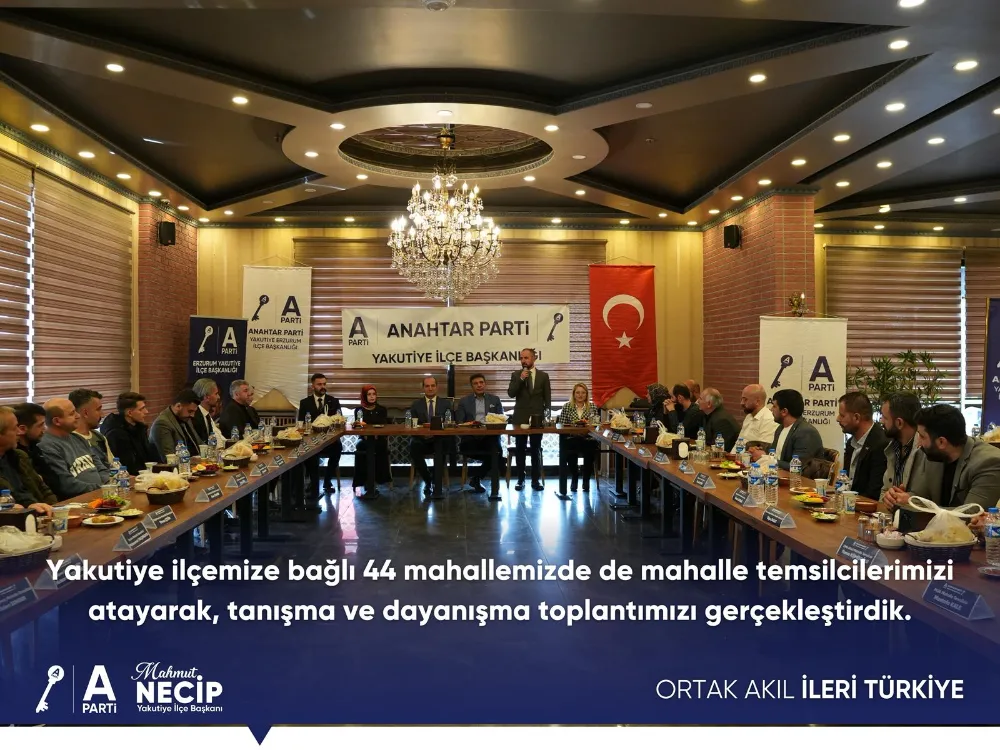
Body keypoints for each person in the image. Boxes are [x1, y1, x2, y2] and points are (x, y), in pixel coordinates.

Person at [884, 404, 1000, 510]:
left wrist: (913, 504)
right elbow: (919, 496)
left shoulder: (989, 462)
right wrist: (898, 498)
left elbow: (971, 514)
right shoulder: (932, 455)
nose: (918, 443)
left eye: (922, 437)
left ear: (941, 442)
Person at [37, 398, 108, 500]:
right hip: (78, 501)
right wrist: (101, 488)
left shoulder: (78, 438)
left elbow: (100, 468)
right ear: (57, 421)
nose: (78, 416)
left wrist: (110, 484)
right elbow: (66, 485)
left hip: (101, 495)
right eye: (72, 413)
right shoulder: (47, 447)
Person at [507, 348, 551, 492]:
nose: (523, 360)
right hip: (520, 417)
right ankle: (521, 479)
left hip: (537, 418)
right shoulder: (516, 375)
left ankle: (535, 480)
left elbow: (547, 398)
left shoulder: (543, 376)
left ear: (533, 358)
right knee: (520, 449)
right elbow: (511, 393)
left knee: (535, 449)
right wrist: (521, 379)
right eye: (521, 358)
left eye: (526, 358)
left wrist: (547, 415)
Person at [750, 389, 823, 470]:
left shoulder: (806, 432)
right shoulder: (780, 428)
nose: (771, 409)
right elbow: (776, 455)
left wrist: (767, 459)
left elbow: (798, 467)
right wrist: (762, 453)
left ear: (784, 411)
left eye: (774, 406)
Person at [0, 406, 54, 516]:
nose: (19, 432)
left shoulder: (20, 456)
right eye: (14, 428)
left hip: (43, 514)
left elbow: (44, 490)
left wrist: (55, 508)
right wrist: (28, 508)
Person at [456, 373, 505, 493]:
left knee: (496, 451)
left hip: (489, 438)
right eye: (475, 383)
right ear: (472, 386)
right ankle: (482, 479)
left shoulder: (495, 400)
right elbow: (459, 423)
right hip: (470, 439)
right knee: (497, 456)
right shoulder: (464, 402)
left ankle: (477, 478)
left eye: (481, 382)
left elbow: (501, 419)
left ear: (485, 384)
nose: (479, 385)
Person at [836, 391, 889, 501]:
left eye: (842, 415)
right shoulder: (851, 443)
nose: (838, 419)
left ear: (856, 417)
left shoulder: (881, 444)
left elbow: (873, 494)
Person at [409, 375, 454, 497]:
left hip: (439, 438)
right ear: (423, 388)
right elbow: (412, 424)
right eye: (427, 386)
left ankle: (435, 480)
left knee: (442, 445)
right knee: (413, 445)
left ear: (437, 387)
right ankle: (428, 479)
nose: (430, 388)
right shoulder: (416, 404)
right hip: (422, 439)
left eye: (433, 385)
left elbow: (450, 423)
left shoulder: (446, 404)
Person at [298, 373, 343, 493]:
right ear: (312, 386)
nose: (322, 387)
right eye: (319, 384)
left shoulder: (334, 401)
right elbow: (301, 424)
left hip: (330, 441)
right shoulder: (304, 402)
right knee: (310, 452)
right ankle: (314, 484)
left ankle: (327, 481)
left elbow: (340, 421)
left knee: (338, 448)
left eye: (324, 384)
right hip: (311, 440)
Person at [878, 392, 923, 502]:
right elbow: (885, 491)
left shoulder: (926, 452)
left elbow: (932, 501)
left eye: (884, 418)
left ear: (899, 423)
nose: (881, 421)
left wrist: (910, 501)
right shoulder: (893, 448)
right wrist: (887, 498)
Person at [100, 392, 159, 475]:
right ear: (129, 413)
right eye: (141, 409)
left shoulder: (139, 428)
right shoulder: (116, 434)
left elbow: (149, 457)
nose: (146, 411)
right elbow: (128, 466)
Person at [557, 382, 600, 491]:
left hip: (588, 438)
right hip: (572, 437)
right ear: (574, 394)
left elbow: (596, 425)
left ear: (586, 394)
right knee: (570, 449)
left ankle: (586, 479)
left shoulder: (592, 407)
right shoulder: (567, 406)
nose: (580, 395)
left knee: (590, 448)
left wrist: (588, 426)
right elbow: (561, 425)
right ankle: (574, 477)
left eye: (583, 393)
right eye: (578, 393)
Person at [353, 385, 391, 497]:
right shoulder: (359, 410)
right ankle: (365, 481)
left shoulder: (382, 409)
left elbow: (384, 425)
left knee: (380, 446)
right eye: (369, 394)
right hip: (364, 439)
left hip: (379, 438)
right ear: (364, 396)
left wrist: (377, 433)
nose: (372, 396)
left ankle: (377, 480)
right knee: (361, 446)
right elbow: (358, 426)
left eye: (374, 394)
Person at [68, 388, 114, 476]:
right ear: (85, 413)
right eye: (98, 409)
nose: (102, 415)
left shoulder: (99, 437)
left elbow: (114, 468)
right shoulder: (69, 441)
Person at [149, 389, 202, 462]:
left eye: (194, 412)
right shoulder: (162, 424)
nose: (192, 415)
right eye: (190, 411)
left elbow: (199, 443)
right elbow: (169, 458)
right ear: (178, 406)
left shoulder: (185, 418)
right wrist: (193, 461)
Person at [697, 388, 740, 452]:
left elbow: (718, 448)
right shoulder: (707, 415)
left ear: (709, 404)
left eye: (700, 399)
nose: (698, 401)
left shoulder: (722, 420)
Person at [13, 402, 48, 477]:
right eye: (40, 425)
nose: (45, 429)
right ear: (22, 429)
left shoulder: (36, 446)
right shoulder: (16, 457)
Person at [191, 378, 224, 445]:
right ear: (206, 397)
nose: (218, 397)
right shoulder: (195, 416)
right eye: (216, 394)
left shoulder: (206, 414)